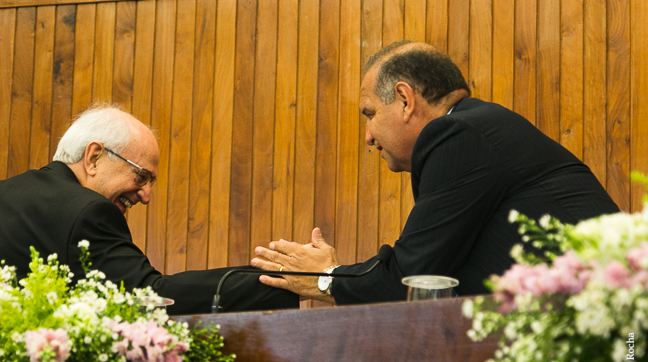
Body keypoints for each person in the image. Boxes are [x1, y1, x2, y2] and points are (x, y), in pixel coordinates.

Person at [250, 40, 620, 304]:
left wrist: (326, 278)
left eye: (370, 114)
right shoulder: (476, 127)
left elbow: (410, 280)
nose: (368, 137)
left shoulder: (458, 134)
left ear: (405, 99)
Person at [0, 104, 296, 315]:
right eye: (141, 176)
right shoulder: (87, 210)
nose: (146, 195)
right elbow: (148, 296)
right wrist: (278, 280)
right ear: (94, 157)